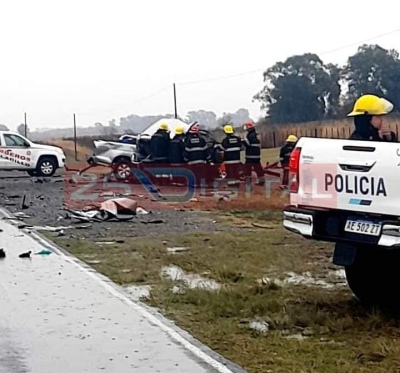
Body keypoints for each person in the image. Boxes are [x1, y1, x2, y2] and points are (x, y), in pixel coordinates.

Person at [242, 120, 264, 185]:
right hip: (256, 154)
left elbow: (248, 144)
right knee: (258, 168)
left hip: (250, 155)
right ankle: (261, 181)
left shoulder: (250, 135)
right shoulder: (256, 134)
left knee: (247, 169)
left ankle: (248, 181)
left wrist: (243, 141)